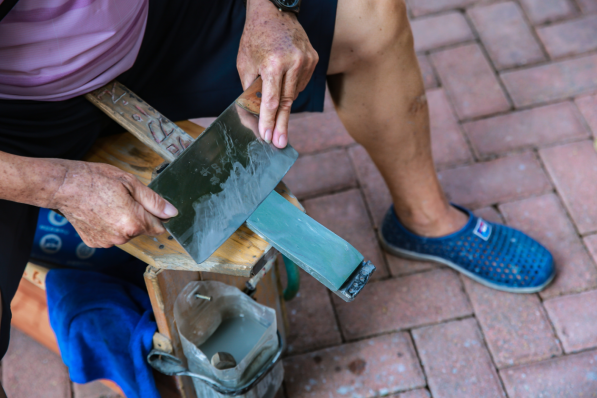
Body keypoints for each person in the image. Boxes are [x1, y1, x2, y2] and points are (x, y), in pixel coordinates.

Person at [0, 0, 555, 395]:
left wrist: (270, 7)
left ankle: (425, 221)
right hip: (14, 116)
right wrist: (56, 185)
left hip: (149, 24)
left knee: (371, 15)